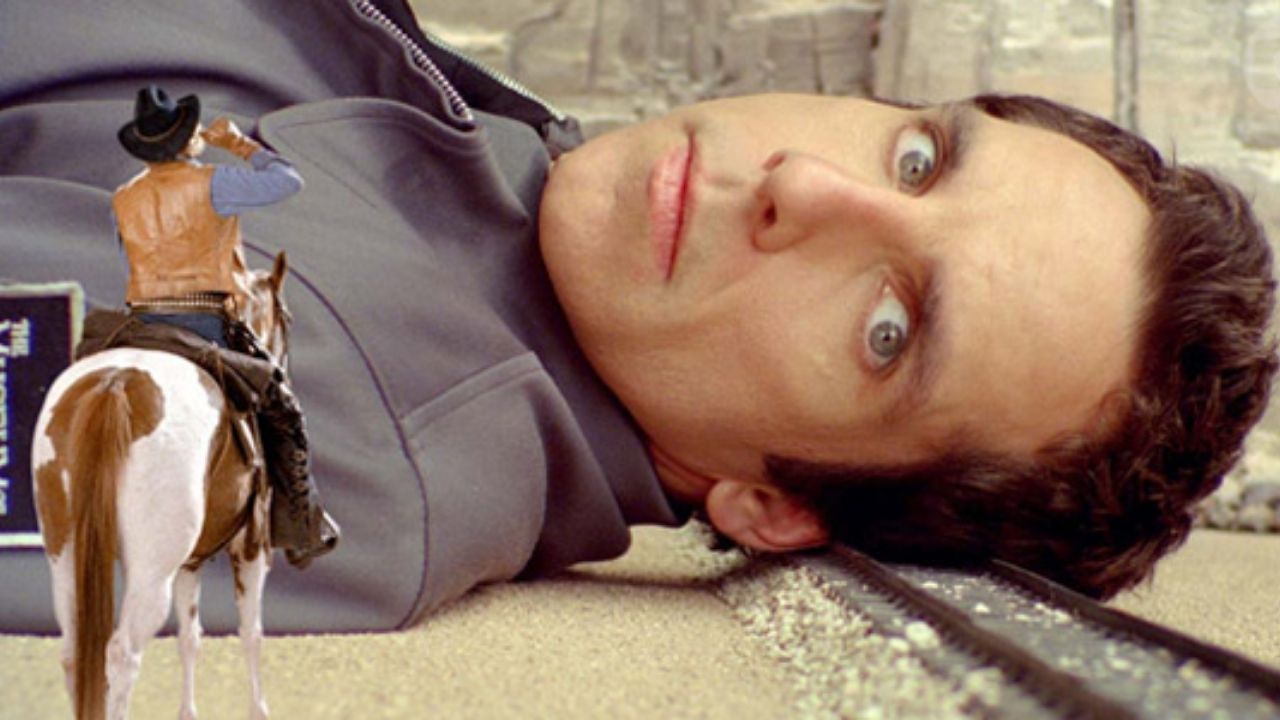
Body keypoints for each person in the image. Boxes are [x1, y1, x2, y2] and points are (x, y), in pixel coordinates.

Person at [0, 0, 1272, 634]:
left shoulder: (325, 437)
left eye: (886, 329)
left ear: (774, 503)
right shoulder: (512, 202)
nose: (803, 188)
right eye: (916, 161)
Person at [102, 84, 339, 568]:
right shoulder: (213, 183)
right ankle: (302, 527)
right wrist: (238, 144)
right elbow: (288, 181)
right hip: (203, 320)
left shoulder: (123, 197)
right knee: (282, 411)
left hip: (141, 322)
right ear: (187, 142)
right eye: (194, 132)